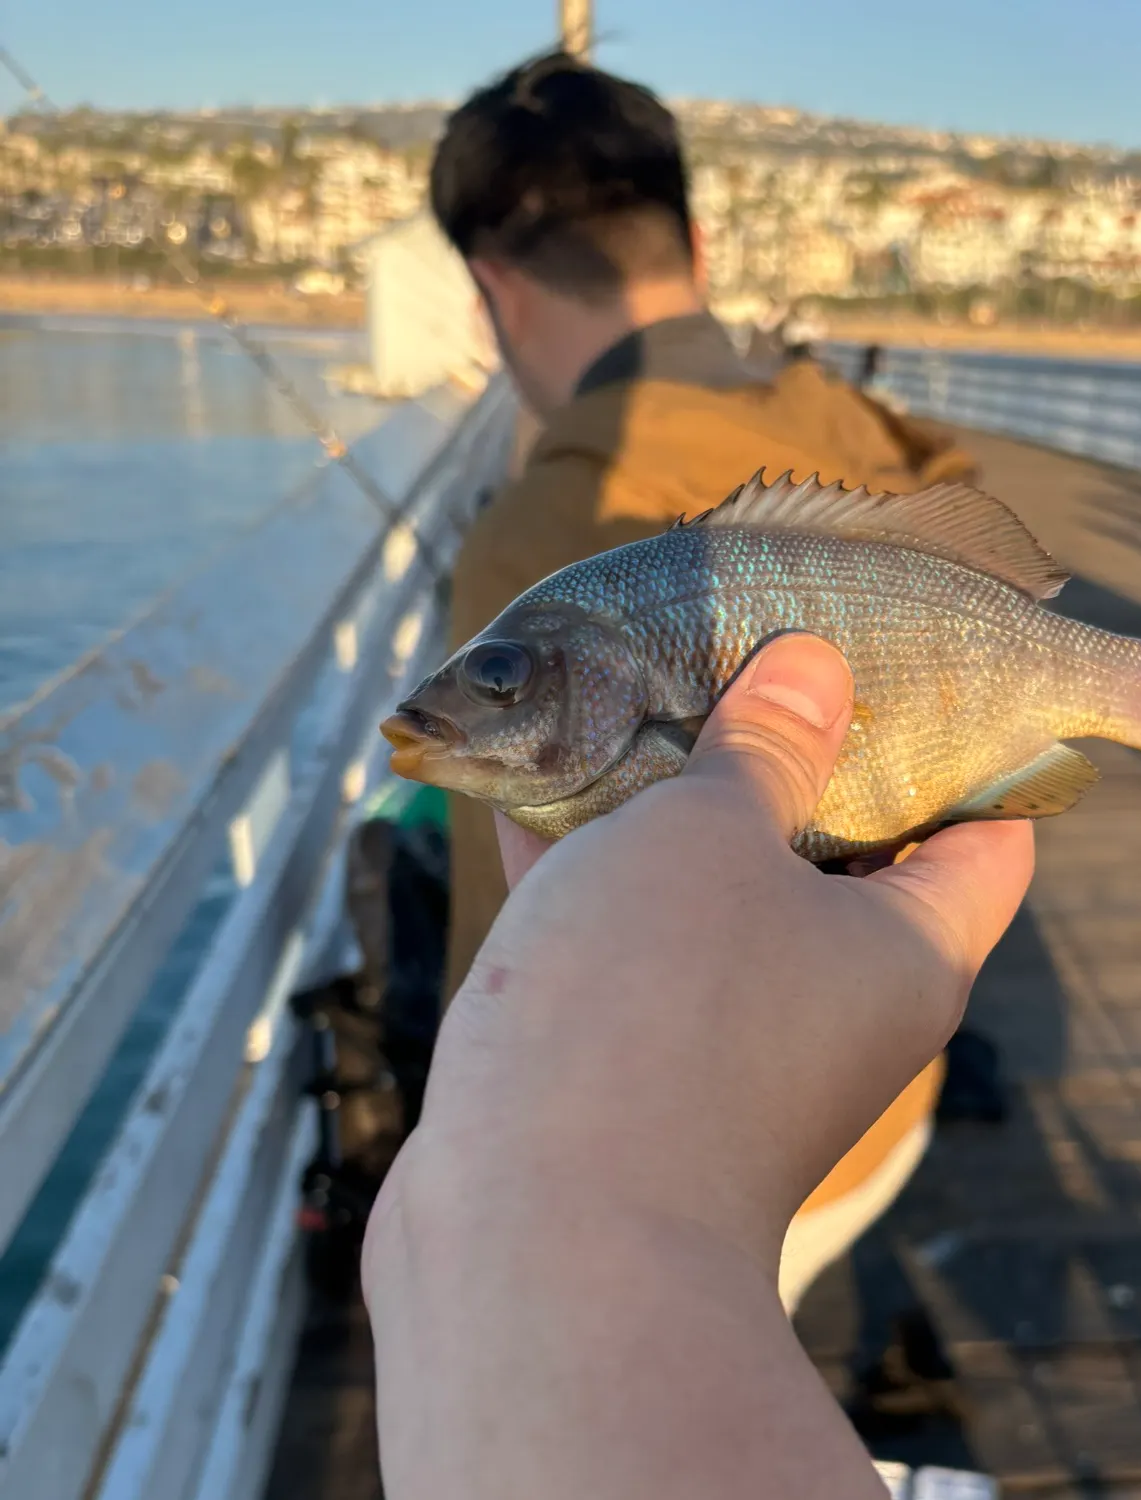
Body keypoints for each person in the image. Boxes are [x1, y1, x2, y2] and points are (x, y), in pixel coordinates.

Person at [427, 49, 980, 1317]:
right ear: (699, 240)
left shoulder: (541, 539)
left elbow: (506, 934)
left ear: (494, 289)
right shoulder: (878, 445)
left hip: (688, 1171)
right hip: (890, 1094)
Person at [363, 632, 1035, 1500]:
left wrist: (506, 1205)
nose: (481, 691)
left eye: (499, 676)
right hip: (849, 1139)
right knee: (769, 1295)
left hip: (541, 1157)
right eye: (500, 675)